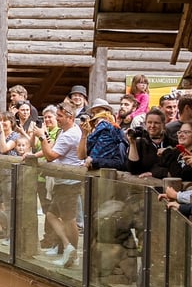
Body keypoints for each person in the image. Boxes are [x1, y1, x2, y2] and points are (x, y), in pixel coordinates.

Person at [30, 103, 84, 266]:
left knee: (69, 219)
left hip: (69, 182)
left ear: (70, 117)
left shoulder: (70, 134)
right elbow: (51, 148)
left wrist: (41, 137)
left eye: (60, 116)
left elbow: (51, 156)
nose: (57, 119)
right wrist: (34, 153)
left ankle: (72, 253)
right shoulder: (65, 131)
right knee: (52, 215)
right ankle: (67, 247)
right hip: (62, 181)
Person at [126, 108, 180, 179]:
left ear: (163, 124)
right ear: (145, 124)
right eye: (149, 122)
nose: (152, 126)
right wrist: (132, 143)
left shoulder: (173, 143)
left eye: (156, 123)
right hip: (144, 184)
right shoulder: (140, 143)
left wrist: (154, 173)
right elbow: (133, 169)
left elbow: (177, 170)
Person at [78, 100, 128, 171]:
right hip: (93, 174)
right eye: (93, 113)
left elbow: (119, 161)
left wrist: (93, 161)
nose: (96, 115)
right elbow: (81, 156)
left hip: (109, 175)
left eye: (98, 111)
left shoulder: (112, 129)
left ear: (107, 112)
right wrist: (84, 134)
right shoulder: (92, 130)